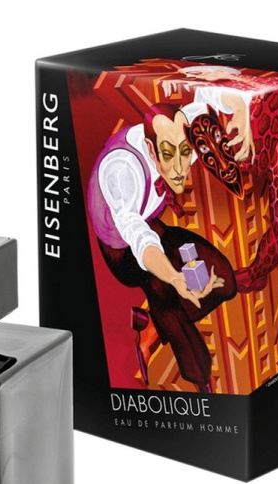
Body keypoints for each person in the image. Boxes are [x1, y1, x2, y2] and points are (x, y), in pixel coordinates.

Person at [87, 84, 254, 392]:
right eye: (167, 154)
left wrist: (241, 107)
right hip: (121, 249)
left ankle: (151, 326)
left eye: (185, 153)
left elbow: (209, 95)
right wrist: (175, 278)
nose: (179, 168)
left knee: (224, 281)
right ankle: (202, 383)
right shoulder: (121, 170)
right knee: (167, 296)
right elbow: (139, 237)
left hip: (151, 224)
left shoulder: (183, 131)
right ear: (151, 151)